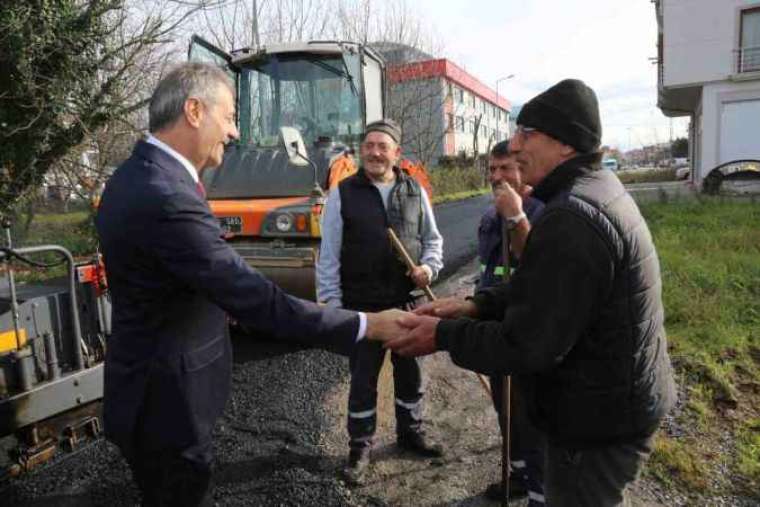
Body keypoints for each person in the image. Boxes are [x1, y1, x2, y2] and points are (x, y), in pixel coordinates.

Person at [95, 63, 400, 507]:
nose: (235, 132)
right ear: (195, 111)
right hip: (167, 407)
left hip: (149, 389)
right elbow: (259, 300)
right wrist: (365, 325)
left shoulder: (135, 175)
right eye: (230, 115)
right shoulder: (166, 195)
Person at [384, 79, 677, 506]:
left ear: (564, 142)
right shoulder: (593, 194)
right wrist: (476, 304)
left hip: (596, 424)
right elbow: (543, 287)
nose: (516, 147)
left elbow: (528, 344)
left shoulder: (574, 216)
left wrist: (442, 336)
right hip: (610, 405)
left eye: (526, 133)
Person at [317, 118, 444, 484]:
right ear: (362, 150)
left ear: (396, 153)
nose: (374, 152)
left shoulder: (414, 191)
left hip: (407, 303)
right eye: (369, 145)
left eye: (382, 146)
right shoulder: (343, 192)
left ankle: (411, 433)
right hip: (362, 306)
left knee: (411, 373)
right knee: (362, 379)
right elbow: (329, 254)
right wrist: (333, 306)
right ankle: (360, 447)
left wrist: (428, 269)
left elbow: (433, 240)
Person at [478, 140, 546, 504]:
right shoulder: (489, 218)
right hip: (495, 328)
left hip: (528, 333)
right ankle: (518, 475)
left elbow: (542, 270)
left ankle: (540, 490)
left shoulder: (541, 212)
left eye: (505, 168)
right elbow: (486, 272)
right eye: (492, 169)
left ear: (524, 169)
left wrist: (516, 218)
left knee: (530, 417)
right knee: (505, 410)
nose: (497, 176)